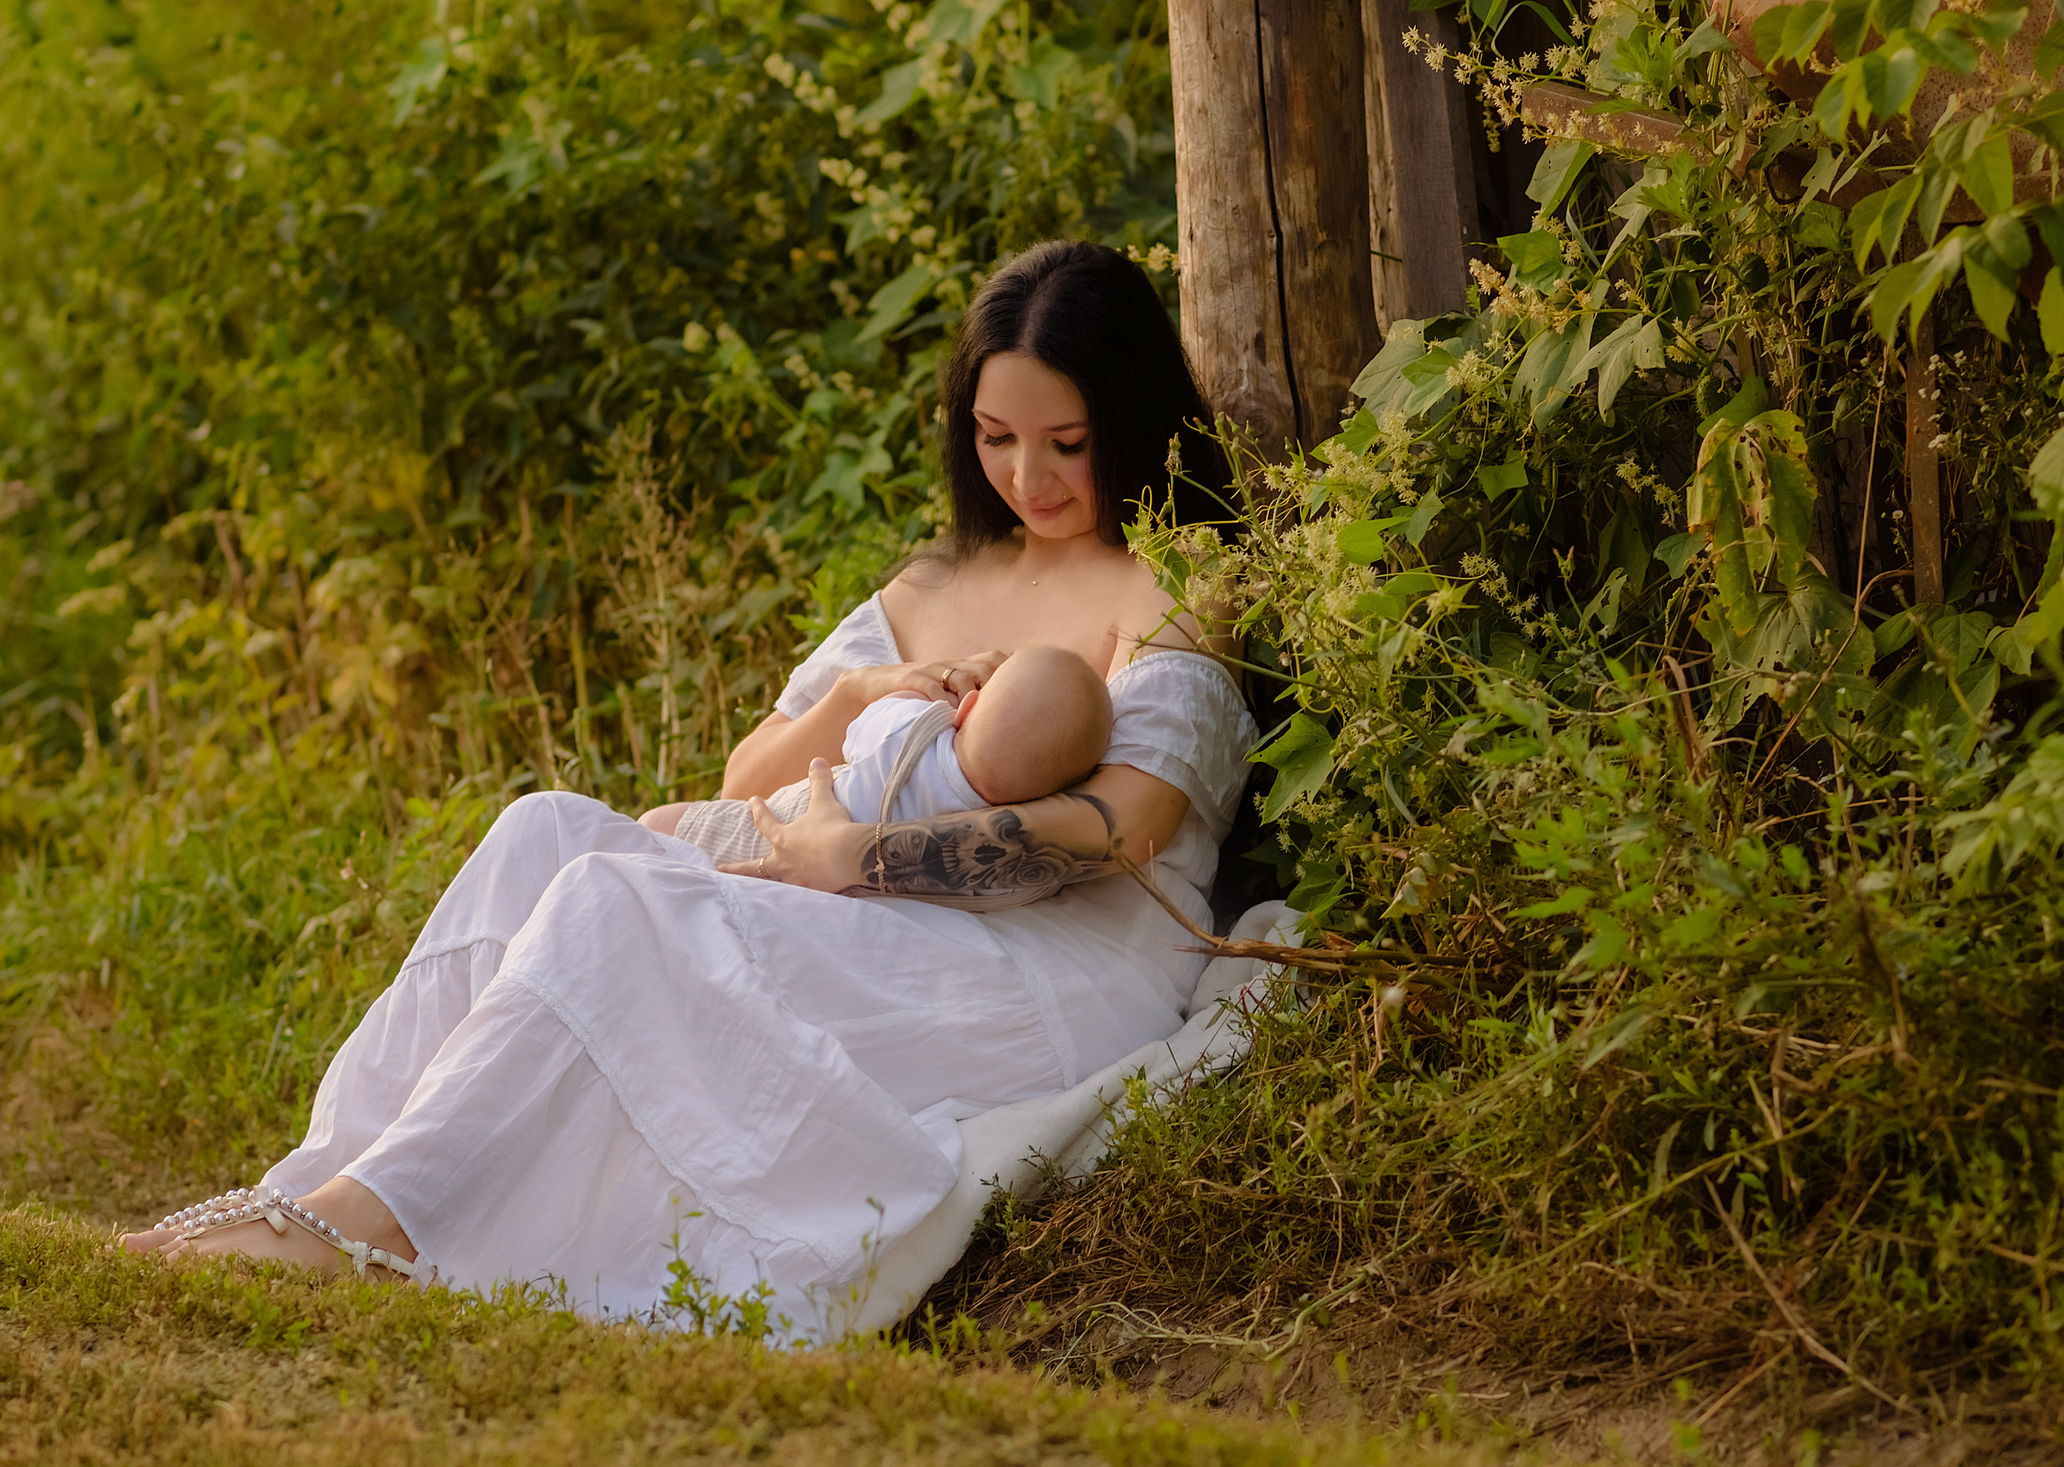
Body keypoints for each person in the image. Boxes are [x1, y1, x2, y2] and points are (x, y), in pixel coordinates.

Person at [123, 240, 1257, 1334]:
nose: (1027, 477)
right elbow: (749, 776)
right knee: (542, 834)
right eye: (996, 437)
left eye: (1067, 443)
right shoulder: (936, 582)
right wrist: (862, 690)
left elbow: (1125, 827)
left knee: (615, 900)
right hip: (879, 912)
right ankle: (328, 1184)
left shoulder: (1174, 577)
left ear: (1130, 419)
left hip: (1053, 964)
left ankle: (372, 1230)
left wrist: (854, 858)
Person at [642, 643, 1113, 878]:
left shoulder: (908, 732)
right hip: (857, 888)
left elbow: (856, 736)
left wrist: (922, 699)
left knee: (656, 826)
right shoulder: (1004, 824)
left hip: (788, 822)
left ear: (969, 706)